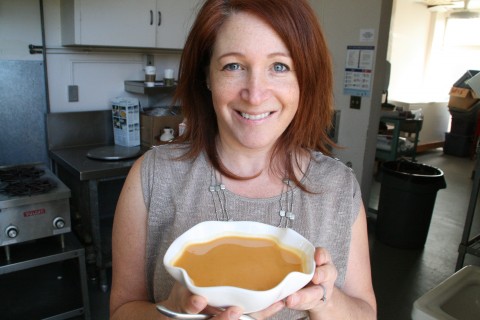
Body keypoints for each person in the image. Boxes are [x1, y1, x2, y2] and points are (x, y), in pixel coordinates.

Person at [110, 0, 377, 319]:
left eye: (280, 66)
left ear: (304, 78)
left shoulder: (338, 188)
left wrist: (324, 300)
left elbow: (366, 312)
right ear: (207, 76)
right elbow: (123, 310)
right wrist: (173, 313)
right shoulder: (153, 176)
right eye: (233, 65)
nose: (255, 93)